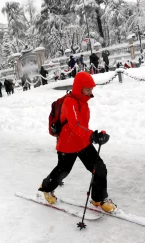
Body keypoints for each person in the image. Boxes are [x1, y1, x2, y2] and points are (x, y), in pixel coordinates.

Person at [38, 72, 116, 213]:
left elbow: (82, 125)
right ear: (79, 88)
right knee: (63, 171)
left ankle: (98, 199)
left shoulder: (83, 102)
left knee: (100, 169)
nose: (90, 92)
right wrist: (92, 135)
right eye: (88, 89)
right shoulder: (70, 102)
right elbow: (75, 124)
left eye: (92, 89)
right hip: (67, 145)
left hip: (82, 142)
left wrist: (95, 135)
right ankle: (46, 188)